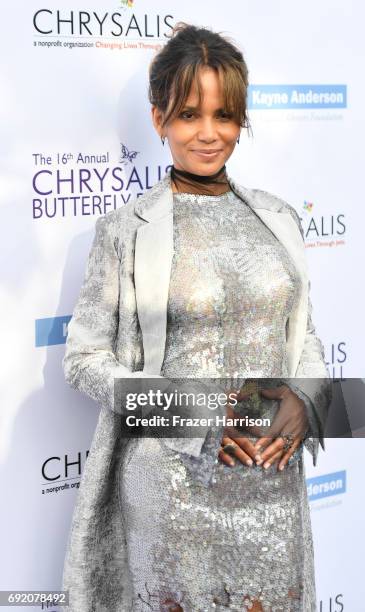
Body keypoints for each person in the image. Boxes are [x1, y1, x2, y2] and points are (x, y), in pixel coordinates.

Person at [61, 22, 332, 612]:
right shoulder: (125, 231)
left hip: (270, 487)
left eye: (225, 116)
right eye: (189, 115)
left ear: (242, 119)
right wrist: (200, 412)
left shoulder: (279, 219)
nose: (209, 135)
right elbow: (83, 361)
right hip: (174, 490)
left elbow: (303, 335)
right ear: (159, 118)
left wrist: (305, 400)